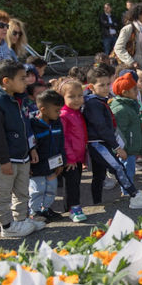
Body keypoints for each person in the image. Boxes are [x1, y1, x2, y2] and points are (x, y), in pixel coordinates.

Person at [0, 59, 41, 238]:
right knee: (3, 193)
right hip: (4, 160)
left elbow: (26, 125)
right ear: (6, 81)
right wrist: (4, 160)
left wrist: (31, 148)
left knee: (22, 191)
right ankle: (6, 225)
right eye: (22, 78)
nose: (26, 81)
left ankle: (21, 219)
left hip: (22, 156)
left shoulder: (19, 100)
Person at [83, 64, 142, 208]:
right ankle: (134, 195)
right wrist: (116, 147)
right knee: (118, 168)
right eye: (101, 85)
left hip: (99, 143)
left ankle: (97, 202)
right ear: (91, 87)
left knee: (99, 174)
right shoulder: (94, 104)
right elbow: (102, 128)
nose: (105, 88)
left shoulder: (99, 101)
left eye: (107, 84)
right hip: (98, 143)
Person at [28, 89, 66, 224]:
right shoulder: (32, 125)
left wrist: (62, 162)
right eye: (56, 110)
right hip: (37, 166)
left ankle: (46, 209)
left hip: (53, 164)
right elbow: (29, 147)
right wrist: (28, 166)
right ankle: (34, 211)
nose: (59, 113)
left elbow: (61, 143)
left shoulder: (57, 123)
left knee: (51, 187)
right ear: (43, 109)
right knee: (37, 189)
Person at [57, 78, 87, 220]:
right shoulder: (64, 115)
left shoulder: (77, 112)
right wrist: (70, 158)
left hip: (78, 157)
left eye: (80, 95)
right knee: (71, 185)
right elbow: (63, 139)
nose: (77, 99)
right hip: (70, 159)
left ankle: (71, 208)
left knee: (75, 183)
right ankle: (73, 208)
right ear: (62, 98)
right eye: (71, 96)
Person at [110, 72, 142, 189]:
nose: (137, 91)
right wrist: (121, 149)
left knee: (129, 170)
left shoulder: (129, 104)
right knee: (127, 171)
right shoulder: (121, 109)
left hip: (130, 147)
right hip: (126, 149)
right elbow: (118, 132)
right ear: (125, 93)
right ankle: (127, 191)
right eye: (134, 89)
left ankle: (128, 189)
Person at [114, 3, 142, 69]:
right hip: (131, 67)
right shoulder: (129, 28)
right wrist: (131, 62)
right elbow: (118, 48)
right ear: (139, 15)